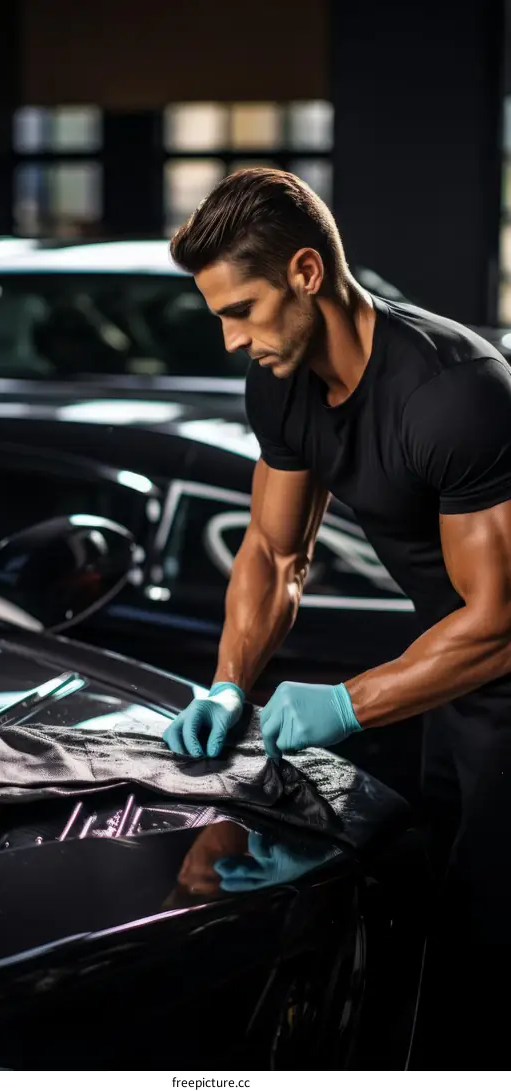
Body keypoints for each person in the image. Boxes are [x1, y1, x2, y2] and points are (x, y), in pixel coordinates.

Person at [162, 167, 511, 1066]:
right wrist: (230, 684)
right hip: (451, 674)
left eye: (242, 309)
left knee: (489, 944)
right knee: (433, 923)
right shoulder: (281, 386)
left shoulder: (454, 392)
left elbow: (502, 619)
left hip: (492, 656)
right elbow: (275, 556)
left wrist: (346, 704)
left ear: (307, 272)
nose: (234, 340)